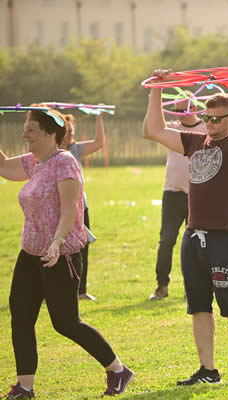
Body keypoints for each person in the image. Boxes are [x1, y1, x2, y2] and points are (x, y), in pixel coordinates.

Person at [142, 67, 228, 384]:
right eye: (207, 118)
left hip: (227, 235)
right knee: (199, 306)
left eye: (217, 118)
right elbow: (154, 130)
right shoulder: (194, 142)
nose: (210, 123)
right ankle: (208, 370)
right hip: (195, 234)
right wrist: (156, 88)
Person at [0, 106, 133, 398]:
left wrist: (57, 243)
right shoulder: (33, 161)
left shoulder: (65, 163)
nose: (25, 134)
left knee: (65, 323)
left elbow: (71, 207)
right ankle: (25, 387)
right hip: (31, 253)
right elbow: (2, 166)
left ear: (50, 133)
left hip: (61, 253)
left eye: (31, 129)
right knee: (21, 317)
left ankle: (118, 370)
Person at [149, 93, 206, 301]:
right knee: (166, 241)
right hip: (172, 193)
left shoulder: (206, 128)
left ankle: (193, 287)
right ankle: (161, 286)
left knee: (196, 243)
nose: (179, 115)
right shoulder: (172, 128)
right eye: (176, 111)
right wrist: (153, 93)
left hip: (198, 195)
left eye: (183, 110)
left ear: (193, 108)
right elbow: (149, 129)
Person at [59, 113, 106, 301]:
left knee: (82, 248)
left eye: (72, 131)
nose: (71, 134)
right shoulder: (48, 152)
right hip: (60, 209)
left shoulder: (75, 150)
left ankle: (81, 291)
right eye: (68, 131)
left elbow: (98, 143)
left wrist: (99, 118)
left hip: (80, 208)